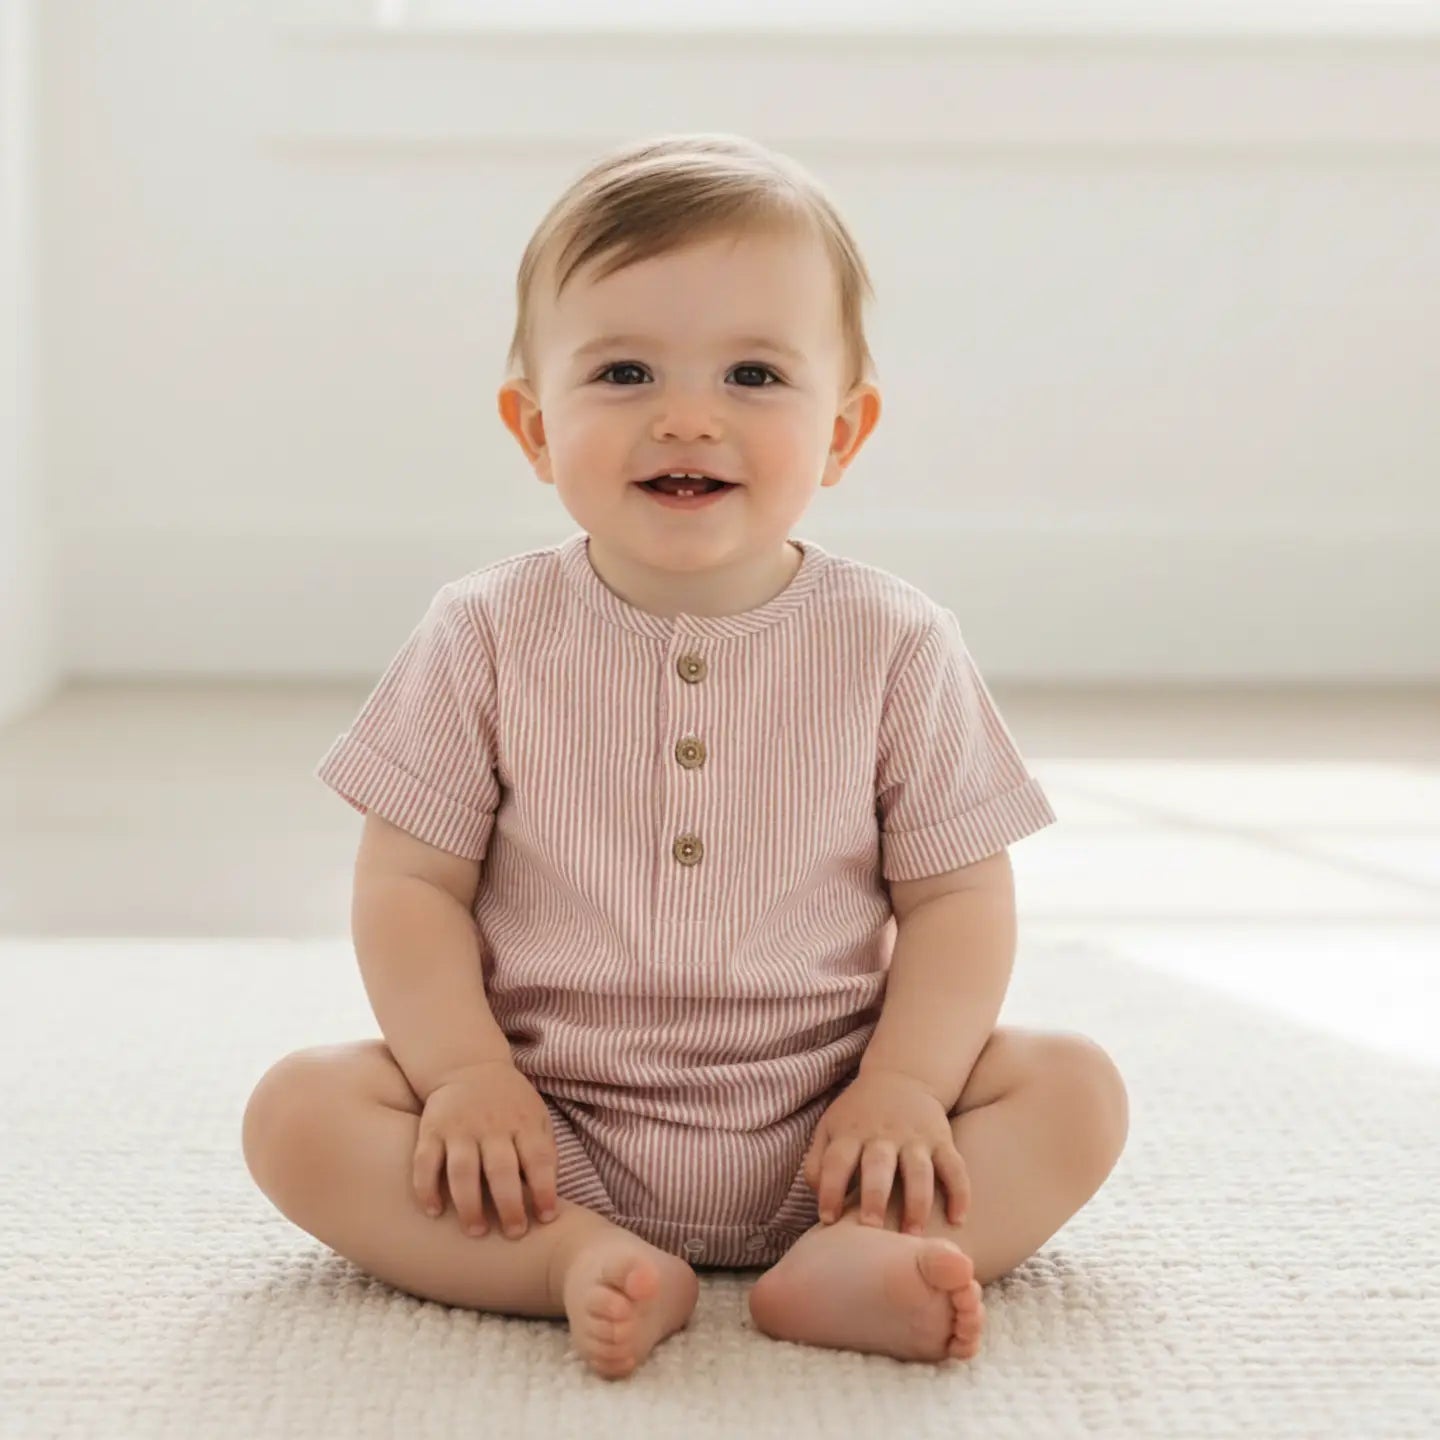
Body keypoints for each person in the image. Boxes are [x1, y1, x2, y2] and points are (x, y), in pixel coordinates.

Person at [241, 132, 1129, 1381]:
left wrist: (907, 1087)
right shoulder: (485, 632)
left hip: (835, 1123)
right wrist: (465, 1079)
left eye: (756, 373)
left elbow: (959, 898)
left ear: (845, 431)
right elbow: (409, 886)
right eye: (622, 370)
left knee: (1074, 1090)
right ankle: (571, 1259)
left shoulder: (894, 640)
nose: (687, 415)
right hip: (548, 1134)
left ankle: (849, 1254)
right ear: (534, 428)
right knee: (300, 1115)